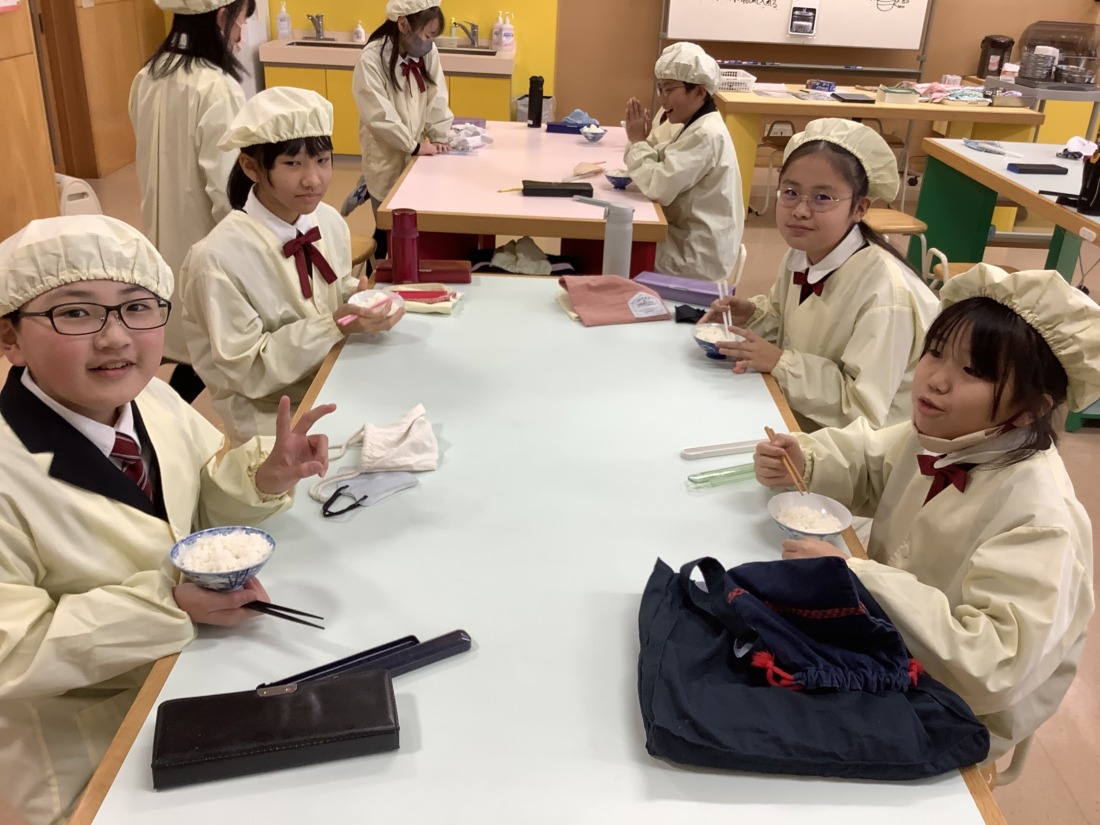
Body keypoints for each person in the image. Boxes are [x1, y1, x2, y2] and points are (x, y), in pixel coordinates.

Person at [0, 214, 335, 825]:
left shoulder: (151, 398)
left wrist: (260, 478)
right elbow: (13, 650)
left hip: (202, 672)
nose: (115, 338)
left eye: (137, 308)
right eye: (75, 313)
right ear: (10, 338)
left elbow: (195, 508)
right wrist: (167, 605)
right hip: (97, 736)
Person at [753, 264, 1099, 763]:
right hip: (889, 646)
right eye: (936, 351)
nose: (935, 379)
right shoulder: (952, 435)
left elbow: (990, 666)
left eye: (973, 372)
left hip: (949, 711)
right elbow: (872, 461)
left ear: (1030, 409)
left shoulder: (1041, 518)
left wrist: (858, 579)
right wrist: (807, 459)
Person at [180, 87, 404, 447]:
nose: (313, 179)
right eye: (293, 164)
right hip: (269, 421)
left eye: (323, 160)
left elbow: (328, 293)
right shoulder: (217, 258)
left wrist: (357, 299)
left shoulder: (327, 221)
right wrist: (335, 324)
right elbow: (249, 370)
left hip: (332, 380)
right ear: (250, 166)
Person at [701, 118, 938, 432]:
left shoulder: (885, 295)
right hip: (802, 421)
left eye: (822, 198)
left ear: (860, 208)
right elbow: (790, 323)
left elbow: (862, 410)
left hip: (862, 449)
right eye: (790, 192)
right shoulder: (802, 254)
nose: (800, 210)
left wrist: (781, 363)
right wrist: (753, 315)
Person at [129, 0, 256, 403]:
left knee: (189, 344)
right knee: (216, 349)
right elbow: (228, 188)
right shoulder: (217, 87)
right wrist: (253, 247)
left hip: (162, 232)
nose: (241, 36)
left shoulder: (148, 75)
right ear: (221, 16)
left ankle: (158, 416)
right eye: (242, 21)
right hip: (206, 239)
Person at [623, 42, 743, 282]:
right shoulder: (694, 123)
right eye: (660, 89)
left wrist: (637, 142)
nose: (662, 99)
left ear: (700, 91)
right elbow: (665, 160)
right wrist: (642, 144)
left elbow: (659, 186)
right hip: (686, 238)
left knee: (615, 243)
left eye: (669, 90)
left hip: (694, 256)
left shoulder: (705, 133)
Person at [351, 0, 454, 259]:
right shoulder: (372, 58)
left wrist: (439, 135)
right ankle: (379, 271)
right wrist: (413, 145)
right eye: (426, 35)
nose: (429, 43)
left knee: (411, 226)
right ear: (403, 24)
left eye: (433, 36)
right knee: (387, 224)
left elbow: (437, 95)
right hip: (385, 157)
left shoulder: (427, 53)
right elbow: (378, 115)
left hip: (416, 156)